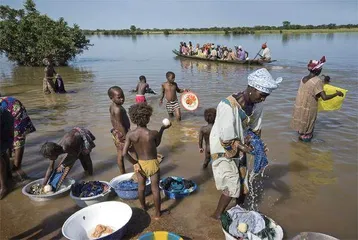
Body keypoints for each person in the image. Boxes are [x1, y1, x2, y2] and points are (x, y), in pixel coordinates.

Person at [209, 68, 282, 219]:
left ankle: (239, 211)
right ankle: (216, 216)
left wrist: (258, 145)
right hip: (223, 146)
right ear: (252, 89)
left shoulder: (257, 105)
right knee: (232, 183)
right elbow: (226, 139)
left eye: (266, 97)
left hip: (241, 144)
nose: (263, 99)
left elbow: (255, 129)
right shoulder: (227, 106)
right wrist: (244, 148)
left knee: (243, 183)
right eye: (262, 95)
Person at [123, 103, 171, 219]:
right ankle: (158, 214)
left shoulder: (131, 134)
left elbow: (124, 153)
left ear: (133, 119)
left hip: (140, 164)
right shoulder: (152, 133)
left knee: (141, 187)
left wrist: (135, 163)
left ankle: (144, 208)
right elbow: (157, 143)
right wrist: (162, 129)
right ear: (148, 117)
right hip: (152, 163)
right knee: (155, 189)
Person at [291, 56, 343, 142]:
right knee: (308, 128)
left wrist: (324, 83)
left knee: (302, 125)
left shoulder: (303, 78)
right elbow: (324, 97)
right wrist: (337, 93)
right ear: (317, 70)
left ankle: (299, 145)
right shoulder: (317, 81)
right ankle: (306, 149)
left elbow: (311, 89)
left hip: (301, 105)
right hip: (309, 107)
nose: (321, 70)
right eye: (320, 69)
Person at [40, 127, 95, 192]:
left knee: (85, 157)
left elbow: (75, 156)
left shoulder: (66, 147)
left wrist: (63, 165)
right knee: (81, 156)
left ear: (55, 153)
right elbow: (50, 168)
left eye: (49, 157)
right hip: (74, 139)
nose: (49, 159)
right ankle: (86, 172)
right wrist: (43, 185)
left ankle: (91, 176)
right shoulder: (53, 150)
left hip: (81, 135)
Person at [0, 96, 36, 181]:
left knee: (18, 138)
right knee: (6, 140)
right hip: (6, 111)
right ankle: (9, 168)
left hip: (15, 108)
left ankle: (16, 167)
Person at [108, 86, 136, 174]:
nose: (122, 99)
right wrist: (127, 136)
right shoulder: (118, 110)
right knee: (132, 150)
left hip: (116, 134)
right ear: (111, 98)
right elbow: (120, 124)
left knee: (120, 154)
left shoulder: (112, 106)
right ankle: (138, 166)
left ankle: (122, 173)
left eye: (123, 96)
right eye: (119, 97)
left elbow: (113, 121)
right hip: (123, 134)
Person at [0, 108, 14, 199]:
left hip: (4, 119)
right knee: (2, 151)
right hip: (7, 117)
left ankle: (4, 187)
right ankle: (8, 175)